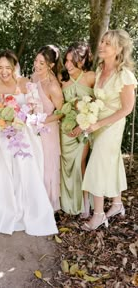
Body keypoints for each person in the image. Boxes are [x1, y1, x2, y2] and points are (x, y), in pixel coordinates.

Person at [0, 50, 58, 235]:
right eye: (0, 67)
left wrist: (23, 116)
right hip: (0, 135)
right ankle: (1, 211)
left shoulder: (25, 83)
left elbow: (36, 109)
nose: (4, 72)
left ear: (14, 67)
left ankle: (28, 210)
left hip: (22, 133)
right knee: (0, 172)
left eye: (8, 68)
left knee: (25, 171)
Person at [81, 29, 137, 231]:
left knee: (96, 164)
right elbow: (98, 99)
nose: (102, 46)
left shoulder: (125, 75)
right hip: (97, 123)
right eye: (102, 41)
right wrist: (88, 114)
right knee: (111, 162)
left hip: (112, 125)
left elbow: (127, 108)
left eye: (108, 44)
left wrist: (98, 124)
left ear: (119, 49)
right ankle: (117, 204)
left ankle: (98, 215)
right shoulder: (99, 70)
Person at [59, 42, 95, 217]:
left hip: (84, 129)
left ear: (83, 60)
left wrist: (83, 127)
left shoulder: (91, 77)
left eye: (73, 61)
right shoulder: (62, 78)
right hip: (65, 130)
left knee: (81, 165)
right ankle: (67, 202)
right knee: (66, 167)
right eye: (66, 60)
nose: (68, 65)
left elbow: (98, 106)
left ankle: (85, 204)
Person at [32, 45, 63, 211]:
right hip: (32, 127)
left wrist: (41, 120)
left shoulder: (53, 86)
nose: (37, 65)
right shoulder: (34, 78)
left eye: (42, 63)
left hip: (48, 130)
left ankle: (47, 206)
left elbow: (61, 112)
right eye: (36, 60)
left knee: (46, 166)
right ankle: (35, 202)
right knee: (35, 164)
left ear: (50, 66)